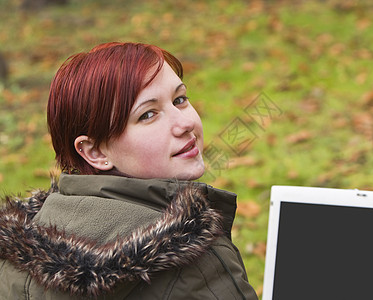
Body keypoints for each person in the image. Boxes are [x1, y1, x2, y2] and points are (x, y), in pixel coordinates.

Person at [0, 42, 258, 299]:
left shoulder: (15, 259)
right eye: (148, 114)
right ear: (95, 152)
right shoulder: (196, 262)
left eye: (179, 99)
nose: (186, 122)